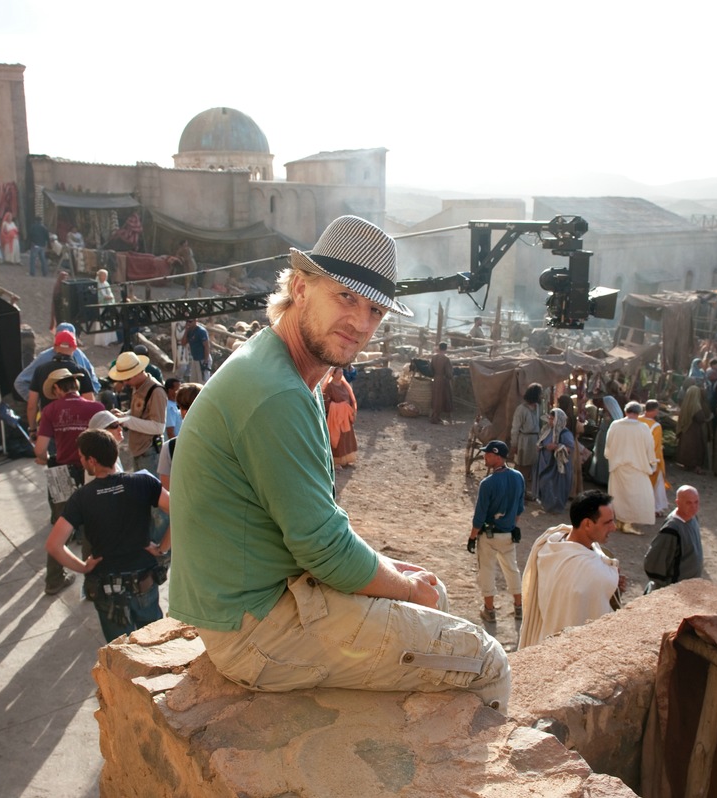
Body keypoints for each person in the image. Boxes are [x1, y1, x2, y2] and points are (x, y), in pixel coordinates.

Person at [167, 214, 509, 711]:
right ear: (301, 288)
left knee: (431, 594)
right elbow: (324, 548)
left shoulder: (275, 364)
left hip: (254, 599)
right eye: (345, 297)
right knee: (486, 659)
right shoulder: (276, 393)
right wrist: (403, 587)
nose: (360, 323)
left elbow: (316, 530)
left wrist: (399, 580)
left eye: (374, 310)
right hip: (257, 629)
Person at [46, 430, 171, 641]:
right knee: (156, 647)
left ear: (92, 460)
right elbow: (181, 511)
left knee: (121, 657)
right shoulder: (143, 482)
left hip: (108, 589)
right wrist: (162, 548)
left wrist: (83, 566)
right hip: (144, 583)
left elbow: (54, 545)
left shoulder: (81, 498)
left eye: (82, 456)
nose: (80, 460)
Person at [518, 491, 625, 649]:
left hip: (544, 640)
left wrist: (612, 587)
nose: (614, 527)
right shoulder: (593, 571)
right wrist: (612, 583)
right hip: (566, 651)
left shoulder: (551, 545)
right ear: (587, 524)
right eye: (607, 522)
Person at [468, 440, 525, 623]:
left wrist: (472, 537)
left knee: (487, 571)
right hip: (508, 535)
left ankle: (489, 610)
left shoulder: (488, 483)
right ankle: (519, 608)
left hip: (489, 536)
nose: (485, 457)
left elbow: (479, 516)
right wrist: (513, 526)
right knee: (512, 570)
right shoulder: (518, 477)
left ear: (498, 456)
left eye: (488, 454)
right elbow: (519, 509)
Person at [109, 350, 167, 474]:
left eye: (127, 379)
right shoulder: (138, 386)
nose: (125, 383)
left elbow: (158, 427)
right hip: (139, 450)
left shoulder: (156, 391)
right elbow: (140, 411)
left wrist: (126, 421)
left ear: (136, 373)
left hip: (149, 451)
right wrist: (124, 415)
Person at [605, 401, 657, 532]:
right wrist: (652, 463)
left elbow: (608, 447)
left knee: (619, 495)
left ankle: (621, 521)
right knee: (635, 497)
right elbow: (650, 448)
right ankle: (627, 523)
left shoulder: (615, 425)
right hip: (637, 467)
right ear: (639, 413)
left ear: (625, 411)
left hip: (618, 467)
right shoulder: (643, 428)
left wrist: (612, 457)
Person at [643, 485, 703, 590]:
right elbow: (653, 561)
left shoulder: (693, 518)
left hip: (690, 588)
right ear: (678, 503)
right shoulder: (672, 529)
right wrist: (665, 588)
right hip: (675, 591)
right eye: (688, 503)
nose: (694, 507)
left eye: (696, 502)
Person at [532, 407, 576, 513]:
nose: (550, 421)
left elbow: (570, 448)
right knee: (544, 482)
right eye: (550, 419)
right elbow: (542, 441)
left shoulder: (565, 433)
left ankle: (555, 507)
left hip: (557, 465)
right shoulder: (547, 430)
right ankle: (546, 504)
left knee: (555, 485)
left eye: (553, 419)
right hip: (545, 462)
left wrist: (557, 446)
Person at [323, 367, 359, 467]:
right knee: (337, 439)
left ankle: (347, 460)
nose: (341, 374)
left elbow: (351, 398)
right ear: (333, 374)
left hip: (345, 417)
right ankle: (337, 462)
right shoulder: (329, 387)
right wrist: (339, 407)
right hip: (335, 418)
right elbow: (326, 403)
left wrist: (350, 410)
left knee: (347, 437)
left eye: (342, 372)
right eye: (339, 373)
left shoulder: (344, 385)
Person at [639, 400, 671, 516]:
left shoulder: (637, 420)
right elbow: (656, 447)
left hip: (637, 457)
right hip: (650, 459)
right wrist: (656, 463)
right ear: (655, 411)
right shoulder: (656, 426)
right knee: (655, 485)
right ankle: (655, 508)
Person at [511, 383, 543, 496]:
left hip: (534, 439)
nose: (541, 396)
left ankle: (523, 492)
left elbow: (540, 423)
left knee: (530, 467)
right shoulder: (521, 409)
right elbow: (515, 429)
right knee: (521, 468)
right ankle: (516, 493)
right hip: (524, 441)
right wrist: (514, 444)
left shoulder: (538, 407)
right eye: (540, 394)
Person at [588, 394, 624, 486]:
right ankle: (599, 477)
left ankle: (604, 480)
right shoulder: (607, 412)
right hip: (602, 438)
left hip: (608, 439)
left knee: (605, 460)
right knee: (600, 459)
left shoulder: (612, 417)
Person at [675, 385, 710, 474]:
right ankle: (695, 466)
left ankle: (686, 464)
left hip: (685, 430)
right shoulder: (696, 405)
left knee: (686, 448)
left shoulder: (685, 404)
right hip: (694, 430)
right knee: (696, 449)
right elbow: (700, 418)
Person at [179, 318, 212, 383]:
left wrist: (205, 361)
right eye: (187, 321)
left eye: (190, 321)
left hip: (202, 358)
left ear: (195, 321)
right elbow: (183, 343)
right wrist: (186, 331)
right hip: (195, 359)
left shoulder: (201, 331)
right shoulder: (190, 331)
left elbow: (206, 346)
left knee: (203, 381)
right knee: (193, 380)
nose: (188, 323)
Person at [92, 269, 119, 346]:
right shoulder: (97, 284)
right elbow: (97, 296)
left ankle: (111, 340)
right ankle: (104, 342)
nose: (105, 277)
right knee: (103, 324)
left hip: (109, 306)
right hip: (102, 307)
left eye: (106, 276)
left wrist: (110, 298)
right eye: (103, 275)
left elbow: (110, 293)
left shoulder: (106, 283)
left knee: (110, 322)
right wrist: (105, 298)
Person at [429, 341, 453, 424]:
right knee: (441, 399)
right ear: (445, 349)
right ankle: (436, 417)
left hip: (436, 379)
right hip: (442, 380)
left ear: (439, 348)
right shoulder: (446, 359)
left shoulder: (434, 357)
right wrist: (450, 377)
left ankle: (435, 416)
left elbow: (431, 369)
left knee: (435, 398)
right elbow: (449, 373)